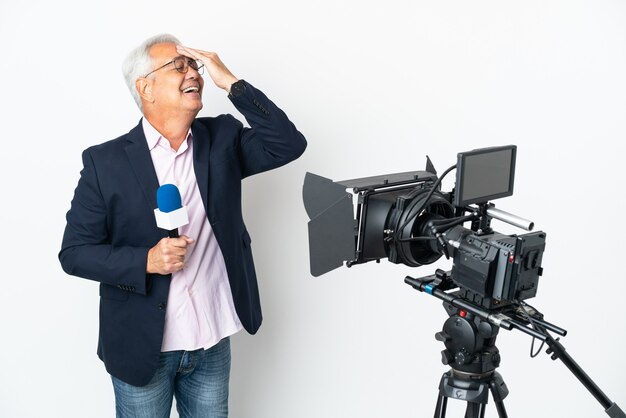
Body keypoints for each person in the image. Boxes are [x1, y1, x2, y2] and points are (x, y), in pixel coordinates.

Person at [59, 33, 307, 418]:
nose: (193, 72)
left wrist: (233, 84)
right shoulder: (103, 163)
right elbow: (74, 254)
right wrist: (146, 261)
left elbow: (287, 144)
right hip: (141, 345)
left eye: (195, 65)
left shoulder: (221, 138)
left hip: (210, 340)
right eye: (179, 66)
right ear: (146, 88)